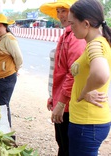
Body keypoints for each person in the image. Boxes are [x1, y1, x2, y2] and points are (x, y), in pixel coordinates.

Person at [39, 0, 86, 155]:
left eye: (64, 11)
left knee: (67, 147)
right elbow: (59, 72)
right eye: (58, 11)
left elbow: (73, 74)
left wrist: (60, 103)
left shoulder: (75, 37)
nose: (60, 15)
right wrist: (53, 97)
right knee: (62, 144)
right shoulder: (65, 35)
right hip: (61, 100)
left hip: (69, 105)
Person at [68, 0, 111, 155]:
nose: (70, 28)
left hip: (87, 122)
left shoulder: (95, 45)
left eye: (72, 24)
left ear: (86, 24)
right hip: (91, 121)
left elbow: (101, 74)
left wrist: (84, 92)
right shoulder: (101, 42)